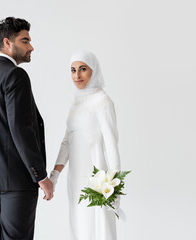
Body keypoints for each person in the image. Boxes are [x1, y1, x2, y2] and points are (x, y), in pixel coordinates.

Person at [0, 17, 53, 240]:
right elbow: (21, 129)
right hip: (15, 178)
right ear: (7, 42)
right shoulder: (15, 75)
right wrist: (40, 175)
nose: (31, 47)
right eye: (25, 41)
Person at [49, 50, 121, 240]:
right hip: (76, 180)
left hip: (98, 180)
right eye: (73, 70)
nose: (77, 75)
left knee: (99, 228)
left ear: (94, 71)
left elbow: (112, 144)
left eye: (83, 69)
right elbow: (67, 142)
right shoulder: (76, 103)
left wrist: (114, 186)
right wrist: (54, 176)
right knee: (79, 228)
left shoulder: (103, 101)